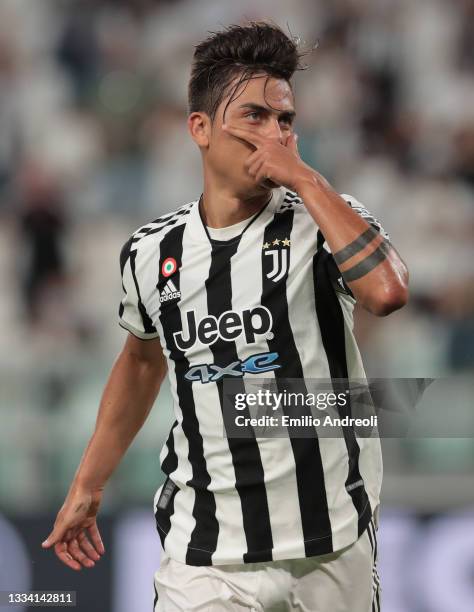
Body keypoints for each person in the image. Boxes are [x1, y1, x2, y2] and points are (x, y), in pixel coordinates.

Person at [42, 22, 408, 611]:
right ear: (201, 129)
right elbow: (140, 364)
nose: (275, 136)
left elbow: (388, 293)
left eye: (285, 120)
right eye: (255, 118)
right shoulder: (151, 252)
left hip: (331, 542)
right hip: (205, 550)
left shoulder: (322, 220)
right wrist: (87, 485)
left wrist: (307, 179)